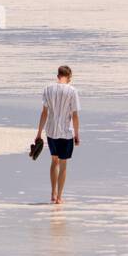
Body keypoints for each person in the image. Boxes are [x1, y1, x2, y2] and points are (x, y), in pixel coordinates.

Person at [36, 65, 80, 205]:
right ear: (70, 77)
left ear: (58, 76)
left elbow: (44, 113)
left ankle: (53, 194)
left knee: (54, 161)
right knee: (63, 163)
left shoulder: (48, 89)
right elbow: (75, 115)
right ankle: (60, 197)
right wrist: (77, 134)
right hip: (66, 133)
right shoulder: (72, 91)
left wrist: (38, 133)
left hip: (51, 131)